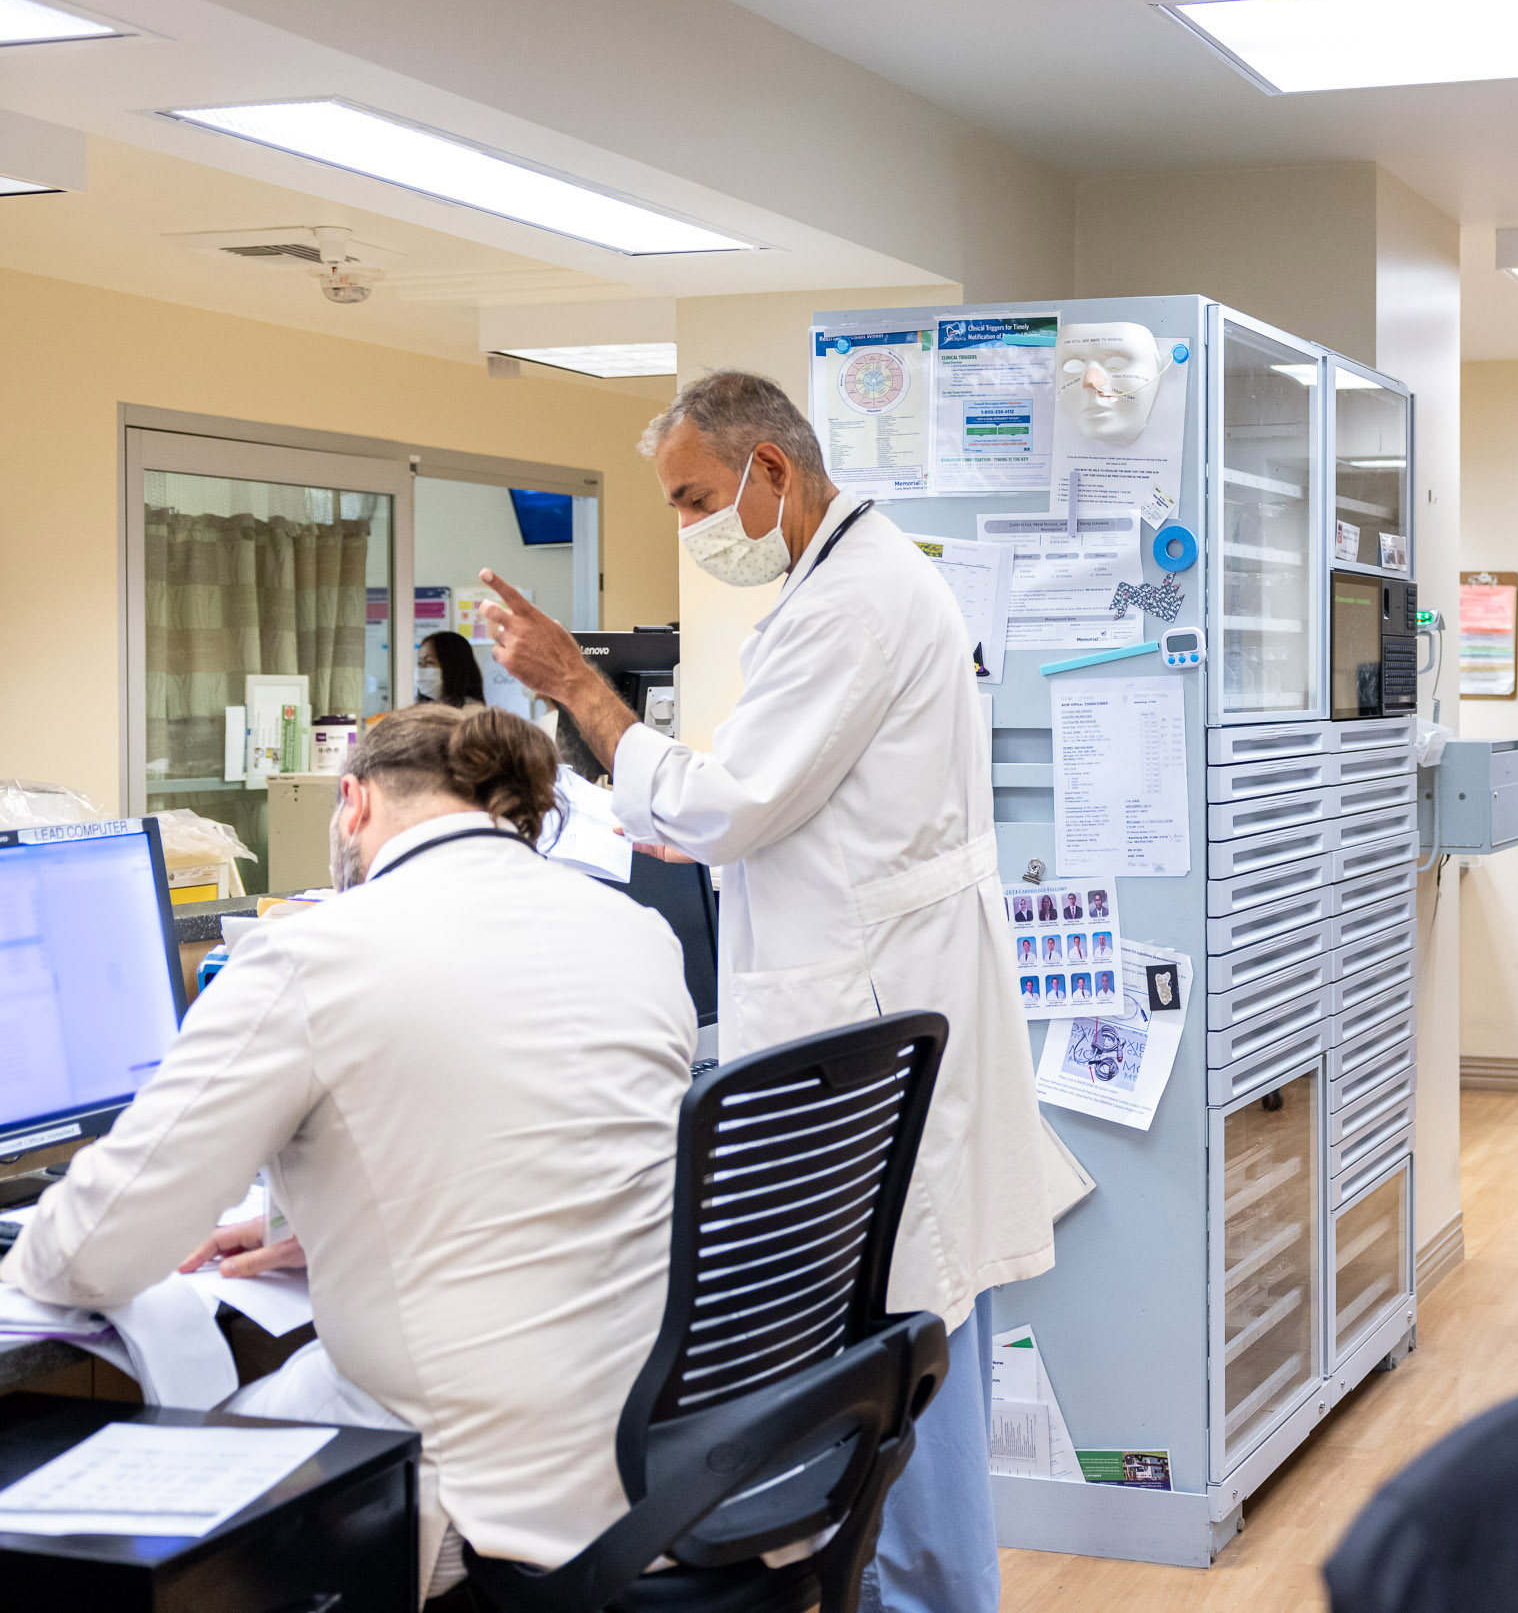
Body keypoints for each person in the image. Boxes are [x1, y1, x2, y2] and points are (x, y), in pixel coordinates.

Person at [479, 368, 1089, 1613]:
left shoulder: (857, 600)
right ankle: (908, 1586)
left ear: (771, 471)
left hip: (866, 1000)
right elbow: (762, 808)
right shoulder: (853, 581)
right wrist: (691, 821)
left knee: (897, 1330)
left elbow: (732, 801)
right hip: (883, 993)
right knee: (909, 1330)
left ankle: (920, 1592)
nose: (691, 527)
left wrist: (573, 686)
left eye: (695, 497)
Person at [0, 705, 696, 1604]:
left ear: (354, 801)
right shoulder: (634, 930)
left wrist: (34, 1251)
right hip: (667, 1451)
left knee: (118, 1525)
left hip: (478, 1486)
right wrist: (333, 1220)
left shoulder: (312, 953)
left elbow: (97, 1250)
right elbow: (559, 1153)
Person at [416, 630, 487, 708]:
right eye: (419, 663)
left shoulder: (473, 712)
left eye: (429, 662)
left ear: (453, 666)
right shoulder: (426, 708)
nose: (421, 669)